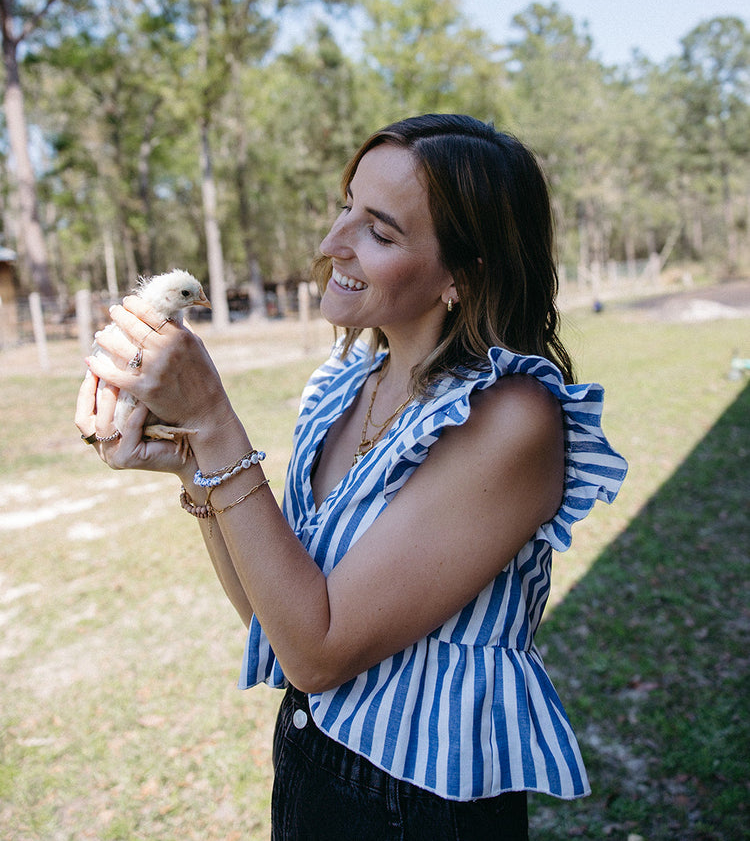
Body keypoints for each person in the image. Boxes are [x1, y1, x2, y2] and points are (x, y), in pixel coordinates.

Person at [76, 113, 627, 840]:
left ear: (463, 275)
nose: (333, 244)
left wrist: (214, 418)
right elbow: (276, 622)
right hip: (310, 760)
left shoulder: (510, 417)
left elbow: (319, 651)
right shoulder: (341, 386)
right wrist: (193, 461)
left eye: (380, 230)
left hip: (418, 806)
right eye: (346, 207)